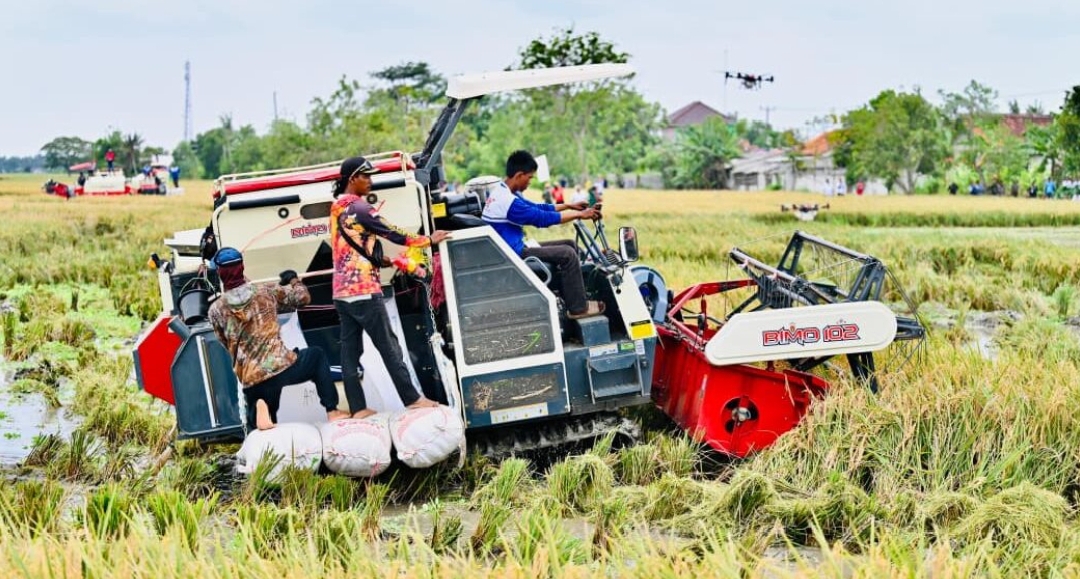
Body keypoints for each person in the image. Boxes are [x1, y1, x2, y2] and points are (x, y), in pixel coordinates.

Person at [330, 156, 448, 418]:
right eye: (366, 177)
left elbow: (354, 248)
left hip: (341, 292)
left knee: (350, 352)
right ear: (352, 179)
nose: (370, 182)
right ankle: (413, 399)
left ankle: (358, 408)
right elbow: (392, 232)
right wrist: (428, 239)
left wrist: (387, 260)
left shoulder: (337, 206)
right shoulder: (359, 209)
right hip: (363, 290)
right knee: (389, 346)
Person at [207, 247, 350, 430]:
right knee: (316, 356)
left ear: (220, 273)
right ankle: (332, 410)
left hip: (252, 379)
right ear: (242, 267)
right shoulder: (265, 292)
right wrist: (293, 280)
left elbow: (225, 342)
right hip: (281, 366)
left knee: (262, 428)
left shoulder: (215, 310)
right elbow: (303, 298)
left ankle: (262, 411)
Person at [482, 149, 605, 319]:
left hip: (513, 247)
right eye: (530, 177)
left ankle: (571, 296)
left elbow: (539, 207)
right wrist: (581, 214)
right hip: (514, 254)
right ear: (519, 175)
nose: (530, 182)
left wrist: (570, 206)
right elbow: (543, 219)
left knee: (570, 244)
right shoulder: (509, 203)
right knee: (568, 254)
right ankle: (578, 308)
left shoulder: (504, 192)